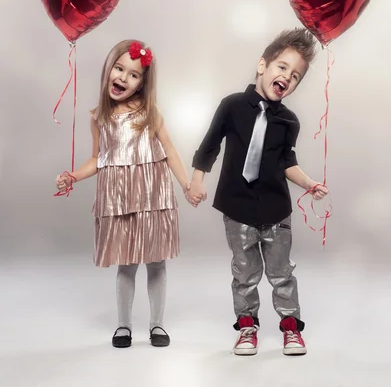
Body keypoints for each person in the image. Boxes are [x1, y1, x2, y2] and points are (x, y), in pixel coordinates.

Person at [189, 28, 328, 356]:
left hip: (275, 209)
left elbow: (286, 163)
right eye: (282, 67)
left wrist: (309, 184)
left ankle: (291, 328)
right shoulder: (232, 106)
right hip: (236, 207)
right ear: (263, 65)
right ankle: (247, 326)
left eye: (295, 76)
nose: (287, 77)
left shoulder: (289, 121)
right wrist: (197, 180)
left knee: (282, 273)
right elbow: (210, 146)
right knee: (245, 272)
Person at [56, 39, 199, 348]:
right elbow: (98, 158)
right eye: (119, 69)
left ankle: (157, 325)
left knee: (157, 262)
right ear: (109, 69)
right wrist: (73, 176)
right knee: (127, 263)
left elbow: (170, 150)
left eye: (133, 75)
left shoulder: (150, 113)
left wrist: (186, 183)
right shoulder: (99, 117)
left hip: (153, 197)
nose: (123, 77)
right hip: (119, 199)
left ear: (141, 84)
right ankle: (123, 326)